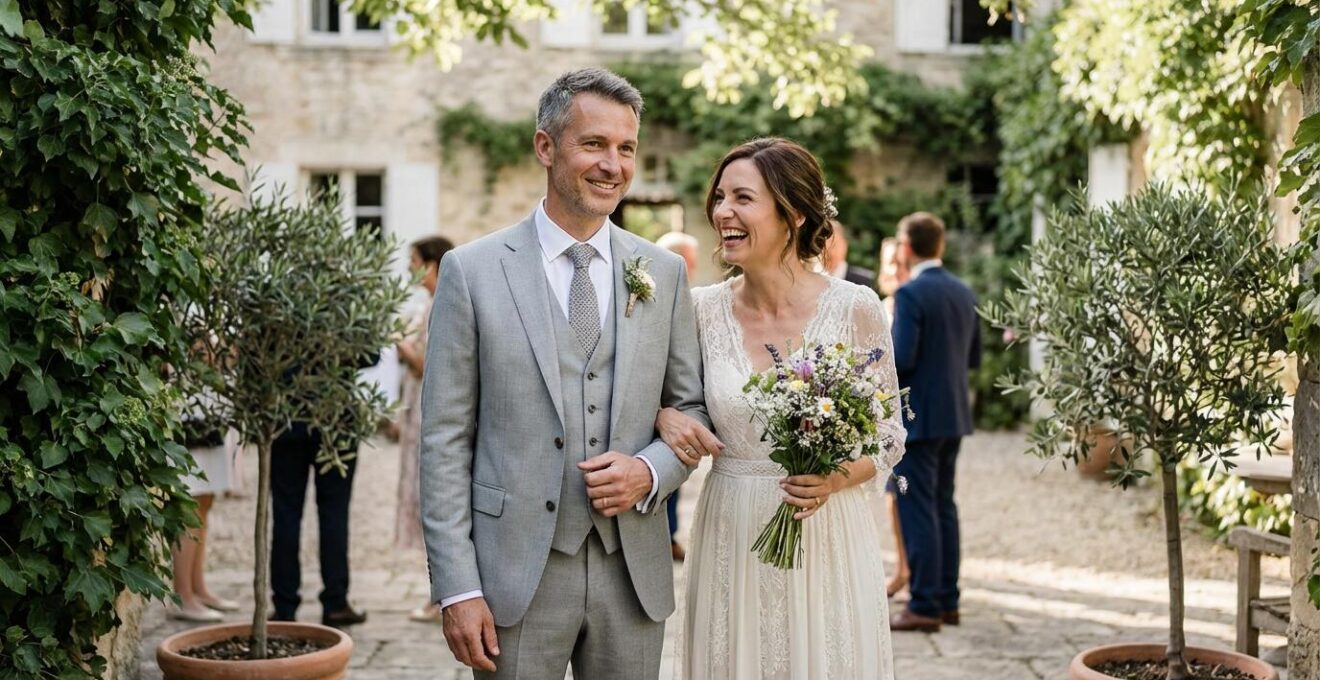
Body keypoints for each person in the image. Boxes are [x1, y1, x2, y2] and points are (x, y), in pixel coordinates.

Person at [419, 68, 710, 679]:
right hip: (515, 575)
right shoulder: (471, 273)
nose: (614, 165)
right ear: (546, 147)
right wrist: (457, 587)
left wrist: (651, 470)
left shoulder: (664, 272)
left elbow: (693, 409)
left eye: (626, 148)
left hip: (631, 572)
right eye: (594, 144)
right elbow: (444, 440)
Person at [657, 137, 906, 679]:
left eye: (743, 198)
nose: (723, 211)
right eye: (720, 197)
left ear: (792, 214)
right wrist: (663, 415)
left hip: (824, 532)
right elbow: (664, 400)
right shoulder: (699, 311)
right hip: (730, 528)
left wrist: (836, 478)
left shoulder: (855, 308)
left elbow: (889, 433)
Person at [887, 212, 980, 633]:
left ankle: (923, 604)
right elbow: (973, 358)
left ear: (907, 247)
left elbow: (900, 359)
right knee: (944, 505)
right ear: (939, 245)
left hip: (918, 418)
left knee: (917, 507)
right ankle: (947, 600)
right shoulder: (964, 292)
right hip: (954, 414)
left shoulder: (910, 295)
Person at [395, 235, 456, 623]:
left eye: (414, 261)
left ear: (432, 264)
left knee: (432, 497)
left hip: (429, 411)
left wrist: (400, 344)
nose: (409, 268)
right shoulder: (429, 303)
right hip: (414, 409)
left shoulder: (444, 305)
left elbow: (429, 365)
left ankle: (442, 594)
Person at [655, 230, 702, 562]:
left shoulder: (694, 298)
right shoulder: (652, 293)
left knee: (675, 475)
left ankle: (668, 535)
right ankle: (663, 536)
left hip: (680, 404)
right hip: (652, 404)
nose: (693, 270)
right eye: (690, 263)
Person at [169, 419, 239, 622]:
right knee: (190, 501)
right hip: (187, 413)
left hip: (212, 413)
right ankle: (182, 596)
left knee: (205, 499)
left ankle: (198, 588)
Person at [876, 236, 911, 598]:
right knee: (894, 497)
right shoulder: (882, 307)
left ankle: (911, 570)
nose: (895, 270)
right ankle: (904, 566)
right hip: (888, 417)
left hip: (907, 417)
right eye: (889, 262)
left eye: (900, 262)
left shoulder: (909, 303)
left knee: (911, 499)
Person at [822, 219, 876, 290]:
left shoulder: (867, 281)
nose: (828, 251)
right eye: (822, 246)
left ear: (845, 245)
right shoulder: (809, 281)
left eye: (834, 245)